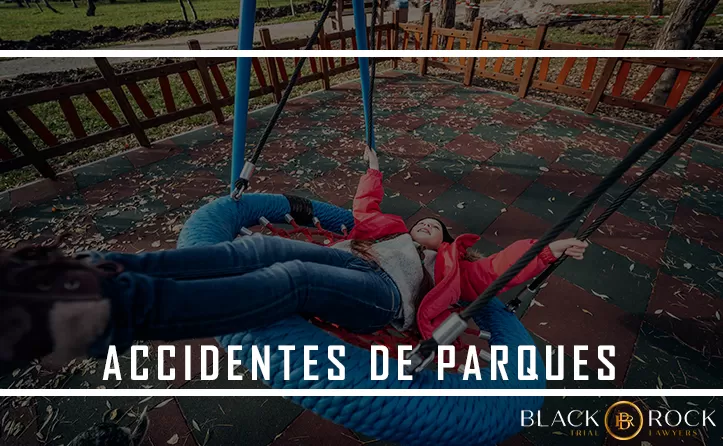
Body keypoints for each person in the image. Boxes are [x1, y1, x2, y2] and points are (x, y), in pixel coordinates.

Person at [0, 147, 588, 369]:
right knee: (256, 247)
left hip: (388, 297)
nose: (429, 225)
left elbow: (494, 271)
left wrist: (543, 251)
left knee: (294, 276)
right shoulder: (382, 229)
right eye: (426, 221)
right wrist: (373, 163)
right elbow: (365, 204)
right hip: (356, 259)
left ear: (444, 242)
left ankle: (115, 311)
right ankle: (96, 270)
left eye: (437, 228)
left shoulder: (451, 266)